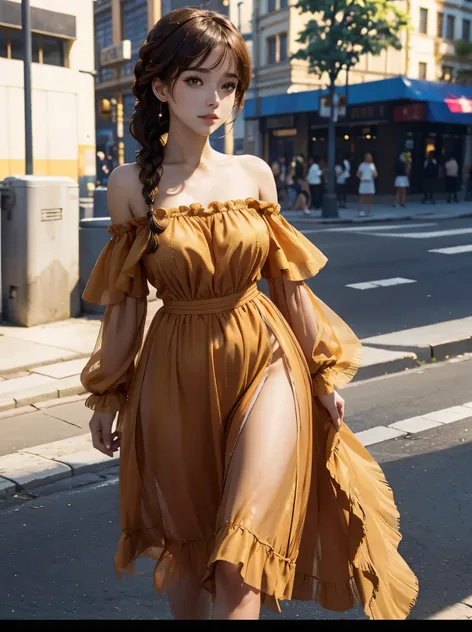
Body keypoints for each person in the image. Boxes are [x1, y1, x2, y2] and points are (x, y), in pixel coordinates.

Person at [80, 7, 418, 621]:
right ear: (162, 87)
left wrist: (319, 376)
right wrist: (108, 392)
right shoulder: (130, 184)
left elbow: (289, 290)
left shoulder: (256, 174)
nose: (215, 99)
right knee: (189, 551)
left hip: (265, 357)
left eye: (228, 84)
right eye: (195, 81)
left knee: (242, 555)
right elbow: (126, 305)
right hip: (174, 370)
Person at [357, 153, 377, 217]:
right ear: (365, 158)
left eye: (370, 158)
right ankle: (360, 211)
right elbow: (358, 174)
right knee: (362, 197)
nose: (370, 159)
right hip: (364, 183)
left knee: (370, 198)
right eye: (368, 158)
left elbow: (375, 174)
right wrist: (362, 178)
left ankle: (369, 211)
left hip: (370, 183)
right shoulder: (362, 165)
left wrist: (374, 175)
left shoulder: (372, 165)